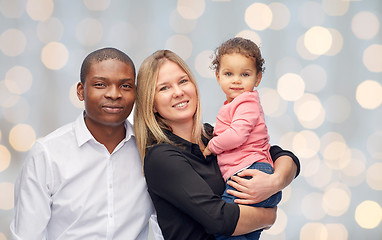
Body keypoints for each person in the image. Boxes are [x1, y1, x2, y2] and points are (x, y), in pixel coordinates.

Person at [133, 49, 300, 239]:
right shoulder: (162, 157)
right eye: (164, 88)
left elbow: (280, 155)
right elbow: (219, 219)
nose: (178, 92)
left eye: (183, 81)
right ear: (151, 104)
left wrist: (275, 181)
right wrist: (269, 216)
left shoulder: (212, 136)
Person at [10, 47, 163, 239]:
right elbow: (27, 236)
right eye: (100, 84)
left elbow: (165, 226)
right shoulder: (47, 154)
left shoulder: (151, 152)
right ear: (81, 91)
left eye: (125, 86)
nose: (114, 94)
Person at [202, 37, 281, 240]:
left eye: (245, 74)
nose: (236, 80)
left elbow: (237, 135)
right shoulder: (233, 104)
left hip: (250, 173)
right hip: (250, 171)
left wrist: (213, 145)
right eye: (229, 74)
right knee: (246, 233)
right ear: (218, 76)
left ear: (257, 79)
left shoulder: (247, 102)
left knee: (223, 226)